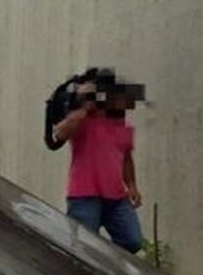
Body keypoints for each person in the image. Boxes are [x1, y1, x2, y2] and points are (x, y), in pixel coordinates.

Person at [52, 70, 143, 253]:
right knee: (83, 247)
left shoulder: (123, 127)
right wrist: (84, 106)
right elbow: (59, 134)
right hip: (84, 196)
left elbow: (126, 158)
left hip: (116, 196)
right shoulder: (83, 120)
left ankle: (109, 271)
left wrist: (132, 185)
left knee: (132, 241)